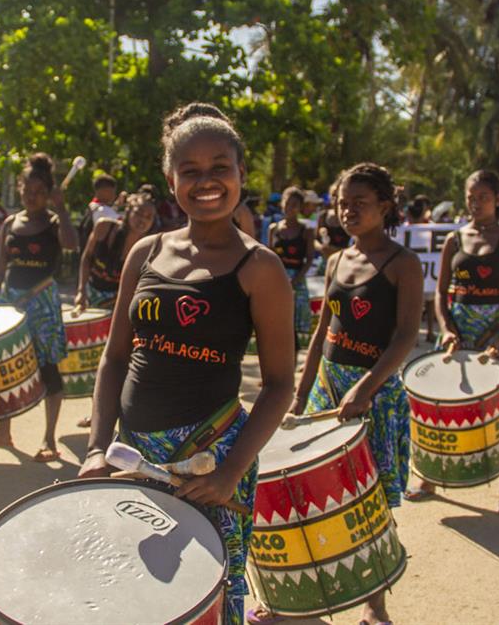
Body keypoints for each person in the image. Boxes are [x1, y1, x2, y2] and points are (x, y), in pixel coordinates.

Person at [78, 104, 294, 625]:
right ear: (171, 179)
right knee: (134, 592)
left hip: (208, 464)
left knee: (207, 599)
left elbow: (280, 385)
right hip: (132, 456)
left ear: (241, 173)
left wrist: (230, 472)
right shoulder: (145, 253)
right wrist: (97, 447)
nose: (206, 181)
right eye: (190, 170)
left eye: (220, 167)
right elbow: (115, 357)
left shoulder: (260, 268)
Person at [281, 163, 421, 625]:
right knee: (322, 494)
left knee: (370, 500)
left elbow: (405, 336)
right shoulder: (337, 260)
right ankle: (315, 594)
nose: (348, 211)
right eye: (343, 203)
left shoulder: (403, 263)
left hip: (375, 396)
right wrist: (300, 395)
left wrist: (365, 387)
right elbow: (322, 334)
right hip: (329, 391)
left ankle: (375, 605)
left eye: (360, 203)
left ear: (385, 206)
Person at [406, 170, 499, 516]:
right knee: (441, 408)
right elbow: (442, 293)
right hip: (457, 334)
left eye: (483, 197)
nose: (475, 203)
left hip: (494, 334)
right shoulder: (454, 240)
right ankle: (430, 479)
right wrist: (447, 329)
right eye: (471, 197)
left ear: (497, 199)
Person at [0, 154, 78, 461]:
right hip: (10, 303)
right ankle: (3, 431)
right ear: (19, 189)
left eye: (39, 192)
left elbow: (71, 245)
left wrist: (62, 208)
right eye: (26, 190)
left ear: (49, 194)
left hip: (42, 304)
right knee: (5, 366)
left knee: (47, 369)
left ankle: (49, 440)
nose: (31, 197)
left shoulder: (55, 223)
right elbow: (0, 269)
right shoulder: (10, 223)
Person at [76, 192, 157, 310]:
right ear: (128, 211)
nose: (142, 219)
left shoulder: (149, 247)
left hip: (120, 300)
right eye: (138, 213)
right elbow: (87, 257)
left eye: (149, 217)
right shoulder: (104, 226)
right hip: (91, 291)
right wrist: (81, 291)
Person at [268, 186, 316, 350]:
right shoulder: (273, 229)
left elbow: (309, 259)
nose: (290, 208)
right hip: (277, 279)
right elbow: (270, 256)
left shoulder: (306, 231)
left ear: (300, 207)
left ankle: (292, 359)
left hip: (297, 280)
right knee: (276, 322)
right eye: (287, 203)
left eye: (294, 205)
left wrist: (295, 281)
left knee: (293, 326)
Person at [316, 182, 351, 261]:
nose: (335, 199)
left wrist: (334, 250)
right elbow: (315, 240)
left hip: (343, 260)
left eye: (338, 195)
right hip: (324, 260)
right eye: (333, 195)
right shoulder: (323, 216)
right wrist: (322, 248)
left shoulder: (348, 217)